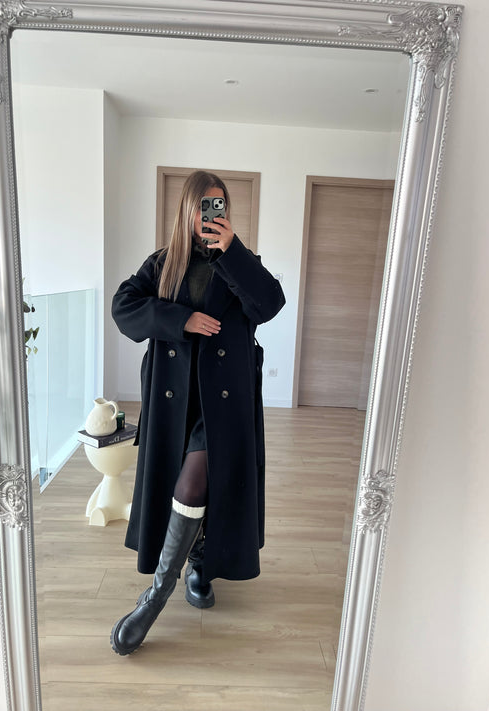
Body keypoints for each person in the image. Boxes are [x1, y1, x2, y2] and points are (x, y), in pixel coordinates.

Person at [110, 170, 285, 656]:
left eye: (219, 204)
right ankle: (199, 564)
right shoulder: (162, 263)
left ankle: (154, 599)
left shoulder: (240, 262)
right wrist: (180, 319)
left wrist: (233, 251)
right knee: (188, 485)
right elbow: (124, 308)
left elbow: (270, 304)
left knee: (197, 482)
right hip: (175, 398)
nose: (211, 213)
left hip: (223, 401)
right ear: (188, 210)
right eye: (204, 205)